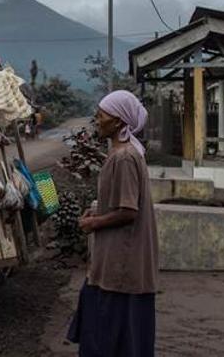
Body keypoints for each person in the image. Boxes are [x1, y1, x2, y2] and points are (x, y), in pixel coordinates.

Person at [67, 90, 159, 357]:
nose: (97, 118)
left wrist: (93, 223)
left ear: (119, 121)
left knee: (108, 336)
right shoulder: (124, 153)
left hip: (121, 261)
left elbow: (129, 211)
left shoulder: (124, 157)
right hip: (115, 260)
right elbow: (121, 202)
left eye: (102, 113)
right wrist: (98, 209)